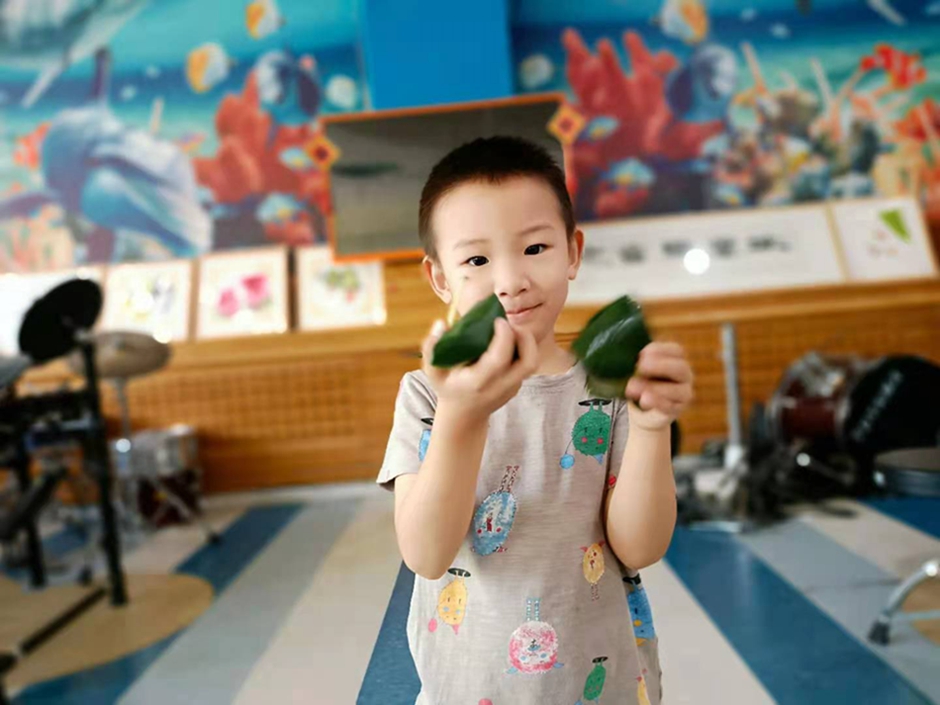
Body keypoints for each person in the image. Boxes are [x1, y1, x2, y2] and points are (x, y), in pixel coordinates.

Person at [377, 136, 694, 705]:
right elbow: (426, 553)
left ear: (573, 251)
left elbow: (639, 546)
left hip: (603, 686)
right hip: (470, 689)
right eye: (477, 260)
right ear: (440, 278)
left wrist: (651, 427)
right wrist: (462, 414)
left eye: (534, 248)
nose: (510, 280)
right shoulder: (425, 393)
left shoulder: (609, 388)